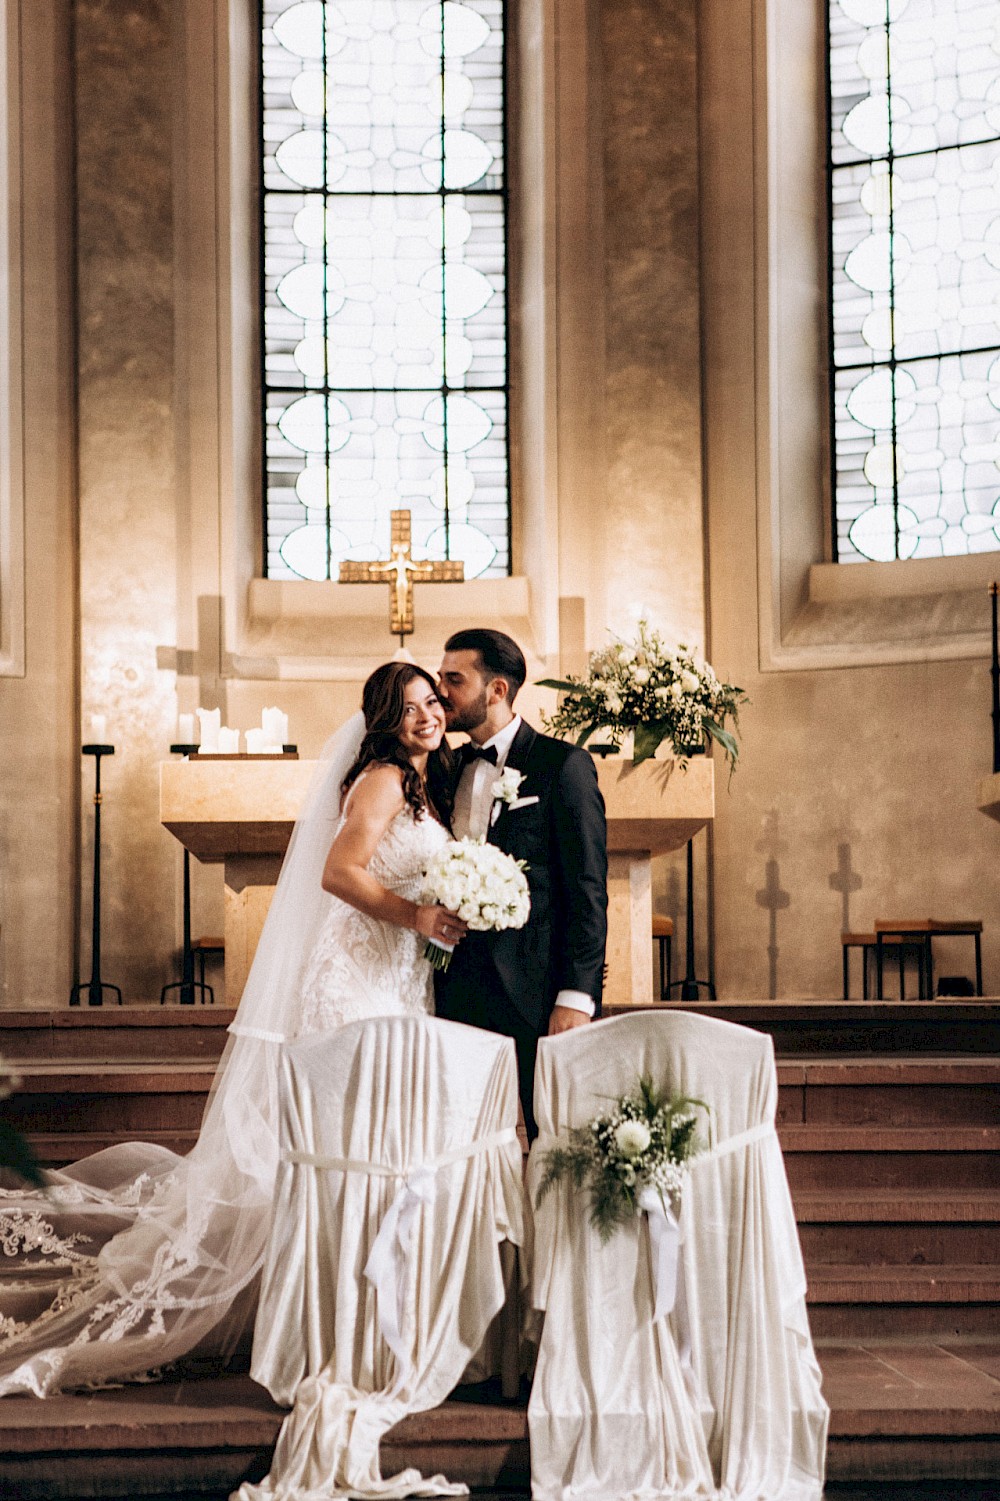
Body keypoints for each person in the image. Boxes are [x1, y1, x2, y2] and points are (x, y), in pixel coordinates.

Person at [0, 661, 465, 1396]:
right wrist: (417, 916)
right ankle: (325, 1309)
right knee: (344, 1147)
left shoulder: (421, 785)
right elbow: (339, 872)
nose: (427, 715)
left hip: (395, 978)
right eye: (409, 707)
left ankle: (364, 1302)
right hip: (356, 984)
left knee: (374, 1145)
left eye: (432, 702)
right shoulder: (380, 778)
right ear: (383, 718)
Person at [434, 628, 608, 1137]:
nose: (441, 690)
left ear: (497, 690)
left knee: (555, 1134)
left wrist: (576, 996)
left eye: (454, 679)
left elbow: (587, 889)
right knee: (462, 1137)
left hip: (537, 989)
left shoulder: (563, 767)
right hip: (454, 986)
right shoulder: (442, 768)